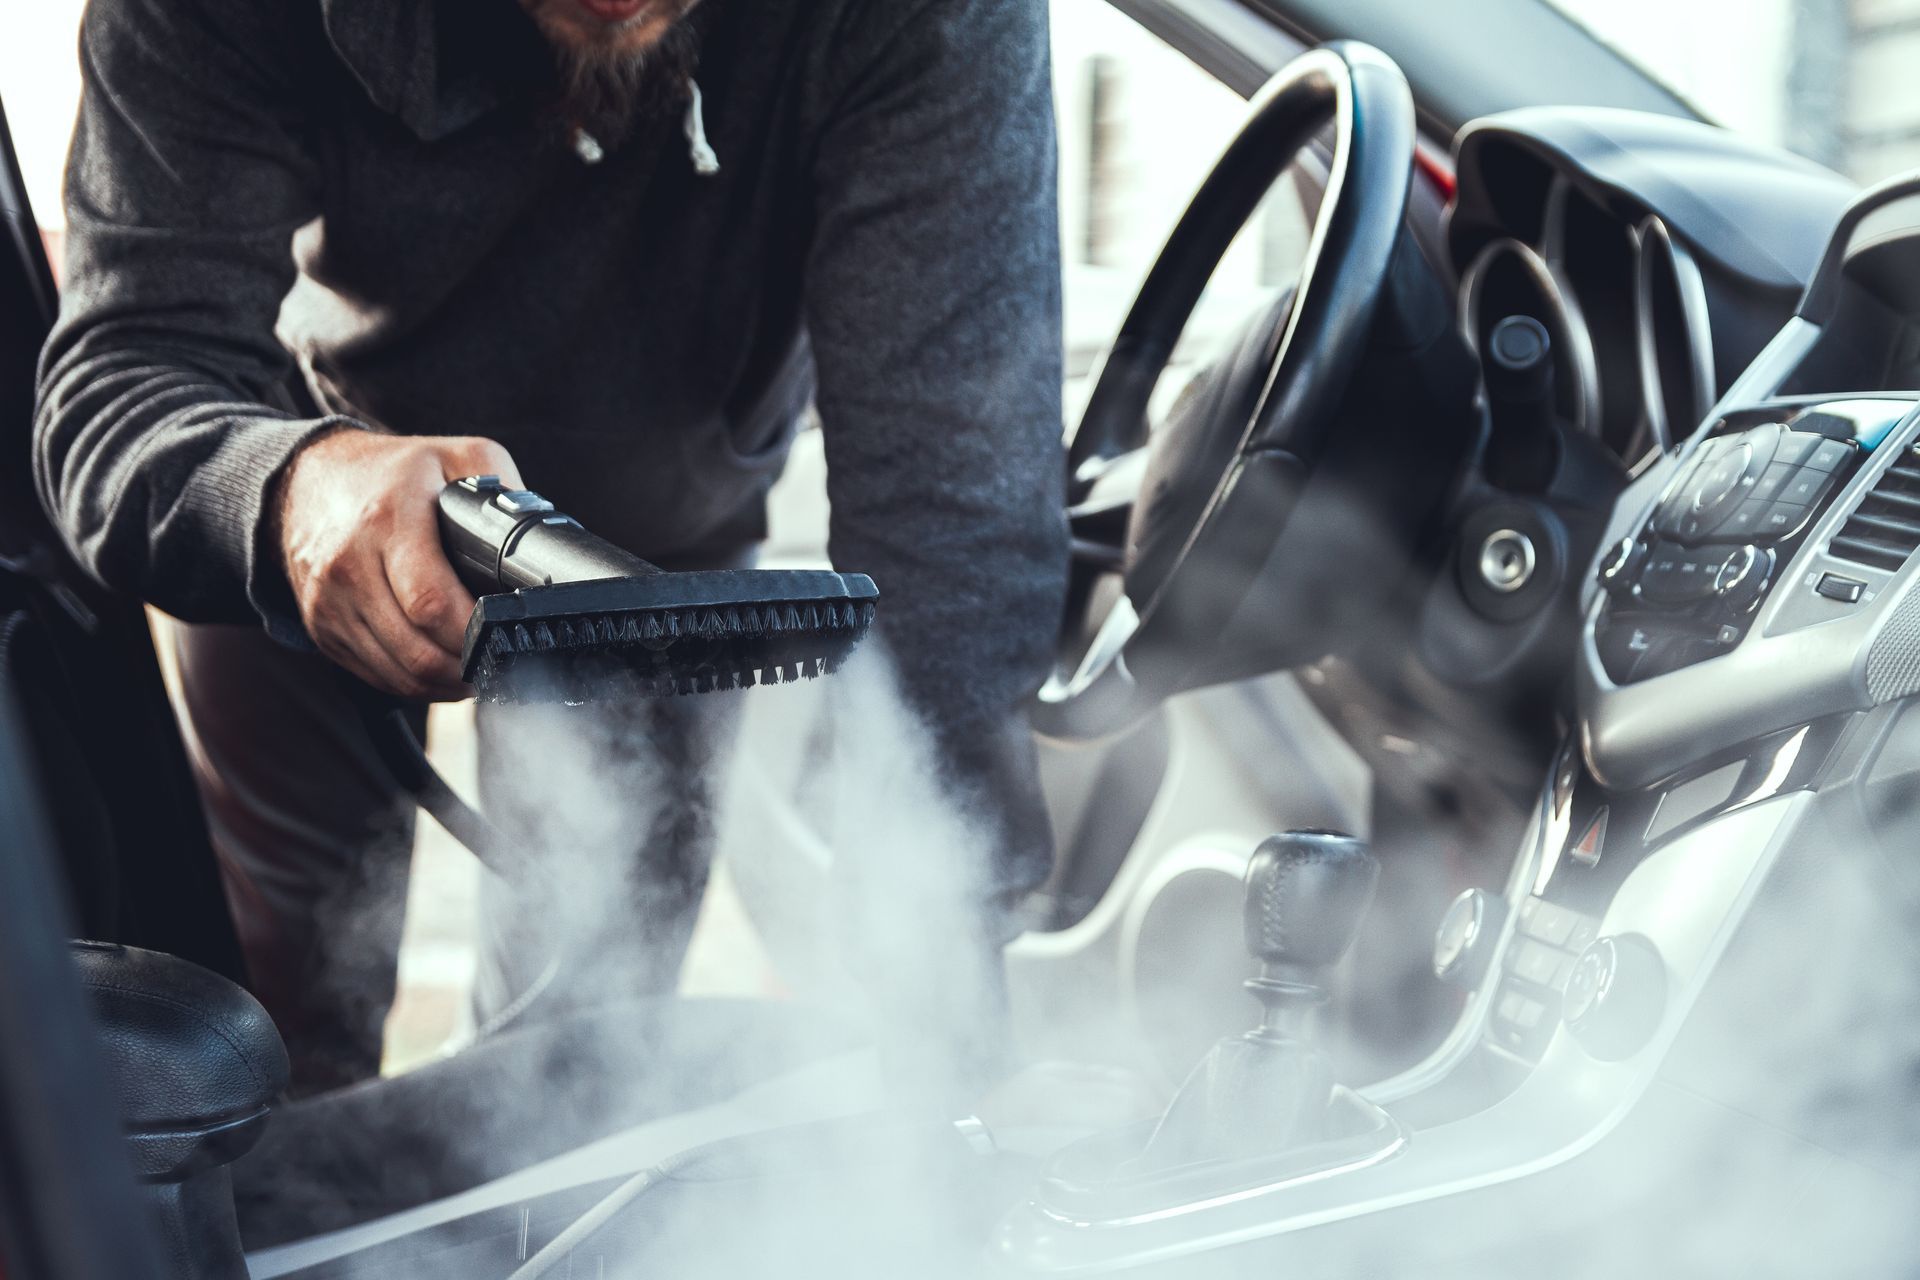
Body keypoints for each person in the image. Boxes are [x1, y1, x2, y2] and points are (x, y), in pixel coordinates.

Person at [35, 0, 1067, 1097]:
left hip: (664, 576)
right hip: (313, 511)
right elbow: (121, 378)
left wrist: (934, 983)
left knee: (585, 1072)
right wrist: (287, 496)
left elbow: (952, 498)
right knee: (268, 1048)